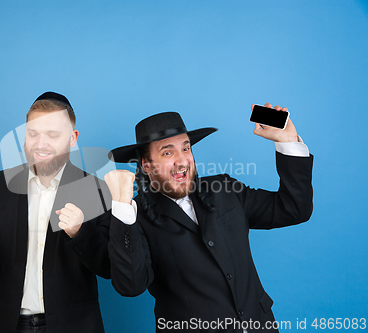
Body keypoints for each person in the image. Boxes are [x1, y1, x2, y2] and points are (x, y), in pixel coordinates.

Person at [104, 105, 313, 332]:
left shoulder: (225, 189)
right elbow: (131, 286)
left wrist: (288, 141)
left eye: (186, 148)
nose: (182, 160)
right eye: (167, 152)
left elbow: (293, 209)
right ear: (146, 165)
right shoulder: (135, 218)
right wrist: (122, 207)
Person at [0, 92, 112, 333]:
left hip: (72, 325)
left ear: (72, 138)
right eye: (33, 133)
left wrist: (80, 232)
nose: (40, 143)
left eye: (53, 135)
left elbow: (109, 267)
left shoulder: (94, 188)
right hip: (8, 324)